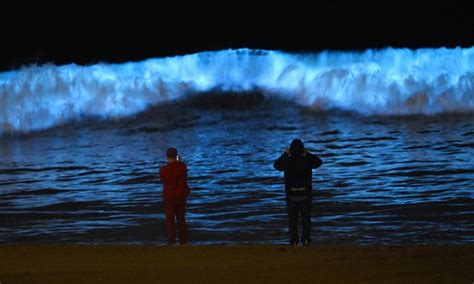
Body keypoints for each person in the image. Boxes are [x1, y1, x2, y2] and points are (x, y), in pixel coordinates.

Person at [273, 139, 322, 246]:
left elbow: (276, 165)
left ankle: (294, 240)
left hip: (291, 194)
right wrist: (308, 154)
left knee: (292, 219)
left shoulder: (287, 160)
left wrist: (285, 154)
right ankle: (306, 239)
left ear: (291, 150)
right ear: (302, 149)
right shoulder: (307, 159)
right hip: (305, 194)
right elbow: (319, 162)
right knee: (306, 218)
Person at [159, 147, 191, 245]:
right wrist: (179, 161)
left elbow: (163, 180)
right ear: (176, 156)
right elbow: (184, 174)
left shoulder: (163, 170)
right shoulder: (182, 166)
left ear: (167, 156)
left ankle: (171, 242)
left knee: (170, 221)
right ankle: (183, 242)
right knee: (181, 220)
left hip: (169, 197)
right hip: (180, 195)